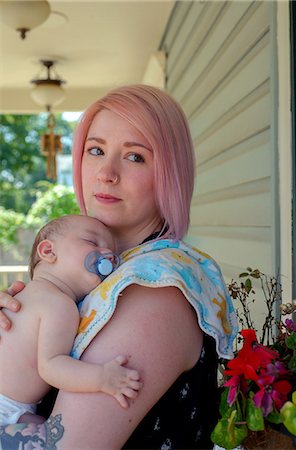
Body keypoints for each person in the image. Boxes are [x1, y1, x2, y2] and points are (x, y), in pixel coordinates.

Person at [0, 84, 238, 450]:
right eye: (96, 150)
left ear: (170, 174)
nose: (106, 173)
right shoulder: (98, 272)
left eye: (135, 157)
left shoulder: (157, 288)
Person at [0, 214, 141, 426]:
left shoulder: (24, 295)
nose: (109, 256)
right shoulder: (59, 304)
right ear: (48, 251)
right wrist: (102, 378)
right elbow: (51, 367)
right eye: (92, 242)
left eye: (113, 253)